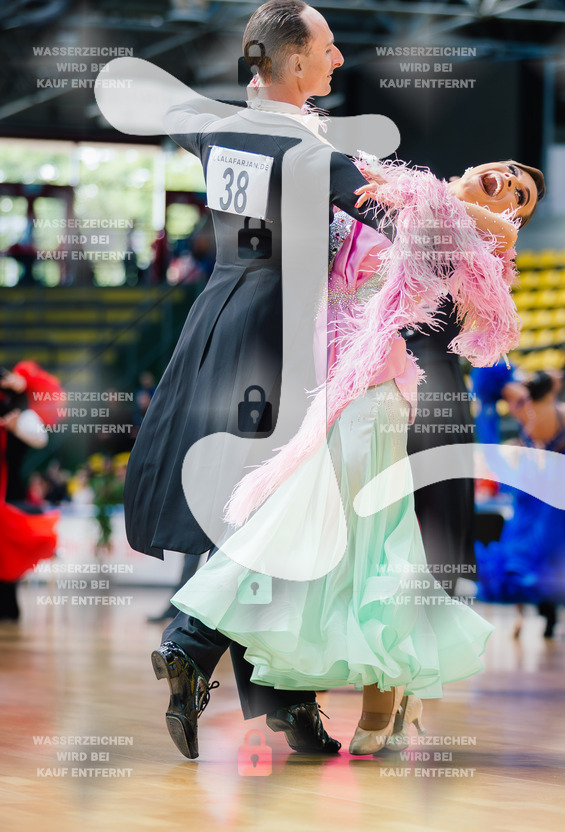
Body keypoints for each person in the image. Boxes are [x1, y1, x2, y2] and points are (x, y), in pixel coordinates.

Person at [171, 158, 544, 753]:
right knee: (340, 536)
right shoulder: (381, 191)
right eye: (509, 174)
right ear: (478, 164)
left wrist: (477, 214)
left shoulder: (470, 235)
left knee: (350, 533)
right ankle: (349, 697)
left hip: (371, 392)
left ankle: (203, 646)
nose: (510, 186)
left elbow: (488, 250)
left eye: (521, 197)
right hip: (312, 381)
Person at [124, 0, 393, 759]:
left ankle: (286, 704)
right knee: (282, 514)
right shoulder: (308, 148)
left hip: (216, 320)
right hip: (277, 336)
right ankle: (198, 647)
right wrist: (474, 227)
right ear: (295, 59)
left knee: (252, 511)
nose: (338, 59)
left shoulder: (219, 128)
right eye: (328, 46)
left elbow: (173, 112)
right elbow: (393, 220)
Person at [475, 370, 565, 639]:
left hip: (534, 490)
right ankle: (564, 611)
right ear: (552, 389)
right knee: (562, 553)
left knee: (530, 554)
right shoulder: (564, 412)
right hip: (555, 490)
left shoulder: (522, 410)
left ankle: (542, 615)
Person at [0, 362, 62, 620]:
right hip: (10, 493)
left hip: (9, 495)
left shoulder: (20, 409)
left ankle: (7, 606)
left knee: (7, 552)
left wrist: (23, 382)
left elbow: (39, 436)